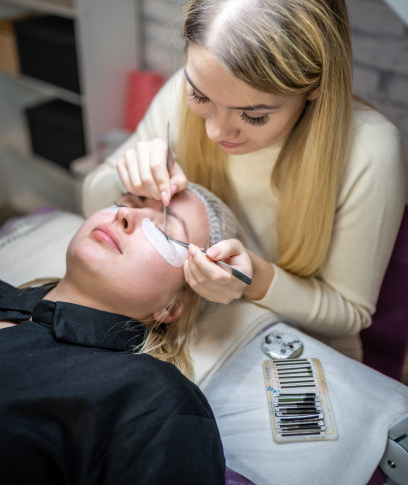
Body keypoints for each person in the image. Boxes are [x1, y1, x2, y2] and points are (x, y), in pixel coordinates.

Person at [83, 0, 406, 361]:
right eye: (200, 97)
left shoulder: (370, 152)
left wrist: (256, 280)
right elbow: (91, 201)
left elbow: (348, 314)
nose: (215, 131)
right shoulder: (182, 89)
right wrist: (124, 178)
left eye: (253, 115)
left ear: (314, 90)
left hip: (302, 349)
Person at [0, 182, 246, 484]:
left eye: (165, 231)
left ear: (171, 307)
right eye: (129, 200)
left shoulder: (152, 397)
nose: (126, 214)